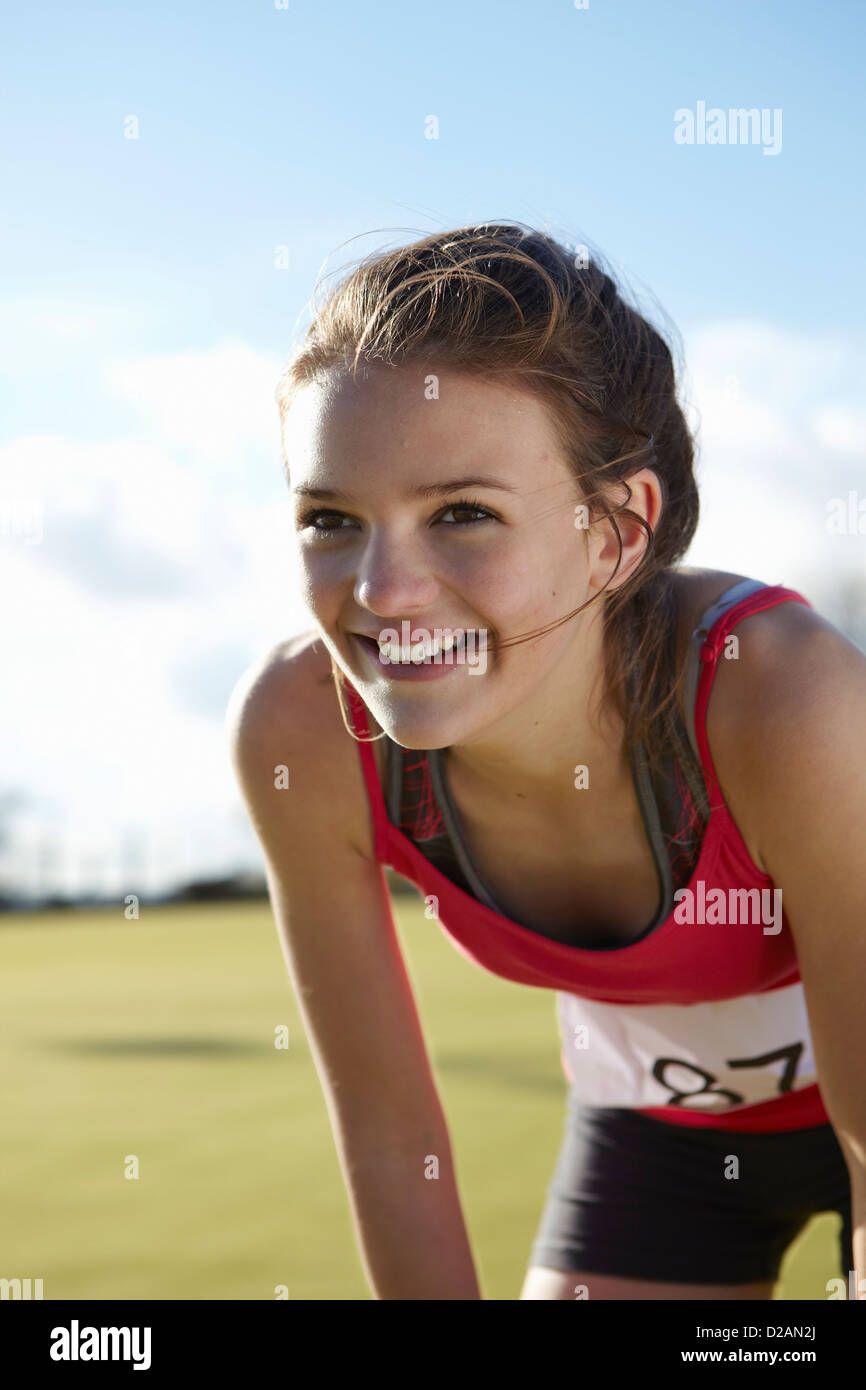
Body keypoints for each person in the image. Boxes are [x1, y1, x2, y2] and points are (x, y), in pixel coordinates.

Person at [227, 223, 866, 1301]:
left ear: (615, 532)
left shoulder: (782, 695)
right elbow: (391, 1136)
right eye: (331, 518)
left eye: (462, 513)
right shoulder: (301, 731)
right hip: (659, 1142)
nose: (382, 590)